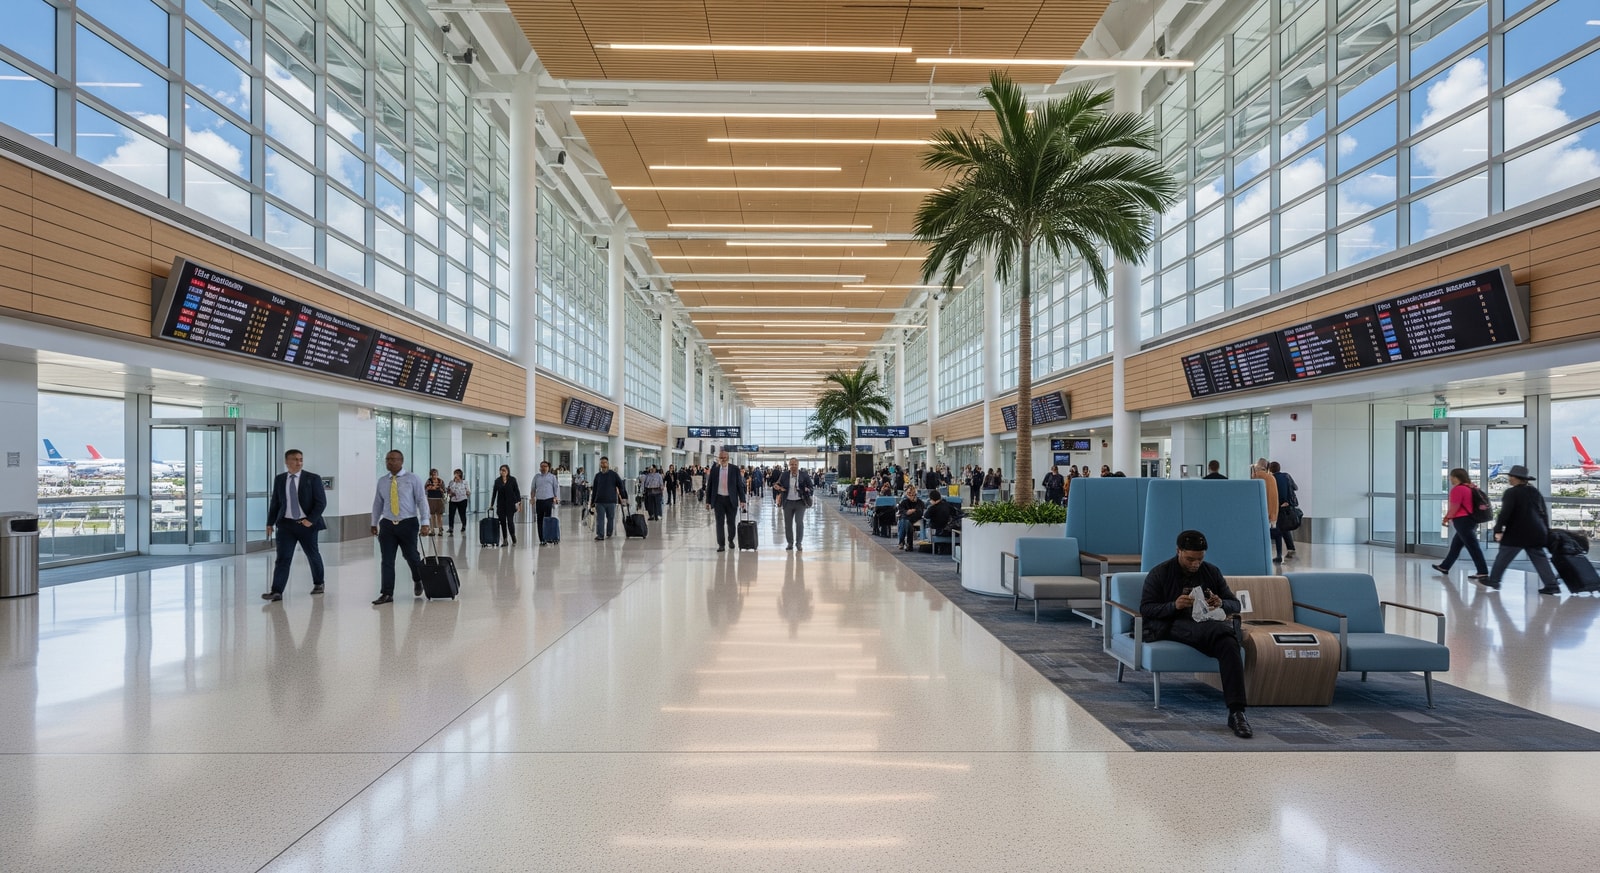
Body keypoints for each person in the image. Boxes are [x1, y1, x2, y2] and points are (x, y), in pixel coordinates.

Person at [1140, 530, 1251, 739]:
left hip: (1208, 626)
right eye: (1190, 559)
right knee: (1223, 633)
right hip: (1170, 624)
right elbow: (1146, 608)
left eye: (1199, 559)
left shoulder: (1211, 572)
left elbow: (1235, 603)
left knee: (1229, 642)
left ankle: (1237, 712)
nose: (1195, 564)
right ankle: (1237, 711)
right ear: (1178, 551)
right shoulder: (1160, 573)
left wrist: (1221, 603)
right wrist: (1174, 605)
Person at [262, 448, 326, 602]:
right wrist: (270, 522)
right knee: (283, 558)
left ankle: (319, 583)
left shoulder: (312, 478)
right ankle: (277, 591)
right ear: (287, 462)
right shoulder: (280, 479)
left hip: (306, 525)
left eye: (300, 459)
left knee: (312, 555)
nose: (299, 462)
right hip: (286, 525)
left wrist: (310, 520)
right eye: (295, 459)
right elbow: (275, 503)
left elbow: (321, 502)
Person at [1486, 464, 1561, 594]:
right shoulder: (1534, 491)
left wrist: (1498, 529)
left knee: (1503, 556)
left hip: (1517, 533)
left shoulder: (1511, 492)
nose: (1509, 479)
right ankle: (1551, 584)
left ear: (1516, 478)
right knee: (1539, 558)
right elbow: (1543, 512)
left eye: (1511, 476)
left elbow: (1505, 513)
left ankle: (1494, 580)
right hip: (1537, 532)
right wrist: (1546, 530)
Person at [369, 449, 430, 605]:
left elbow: (421, 501)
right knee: (387, 560)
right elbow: (378, 503)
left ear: (401, 461)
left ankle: (418, 579)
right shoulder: (382, 481)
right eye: (387, 459)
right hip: (388, 524)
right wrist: (374, 522)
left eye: (393, 459)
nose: (389, 462)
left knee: (411, 556)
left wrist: (425, 522)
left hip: (408, 523)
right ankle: (387, 593)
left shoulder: (413, 478)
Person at [1433, 467, 1489, 580]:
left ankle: (1482, 571)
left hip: (1462, 521)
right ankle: (1445, 566)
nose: (1450, 479)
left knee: (1473, 546)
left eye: (1451, 477)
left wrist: (1447, 517)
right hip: (1471, 520)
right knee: (1456, 546)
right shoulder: (1471, 487)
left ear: (1456, 477)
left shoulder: (1458, 490)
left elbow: (1455, 507)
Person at [705, 449, 746, 552]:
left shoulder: (735, 469)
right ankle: (721, 544)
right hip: (718, 499)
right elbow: (709, 486)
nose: (722, 460)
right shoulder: (714, 470)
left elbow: (739, 486)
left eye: (724, 458)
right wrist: (708, 501)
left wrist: (742, 500)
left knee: (731, 522)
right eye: (721, 458)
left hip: (731, 500)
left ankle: (731, 539)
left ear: (728, 458)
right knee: (719, 523)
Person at [773, 456, 814, 551]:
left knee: (799, 522)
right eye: (792, 465)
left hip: (800, 502)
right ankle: (790, 543)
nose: (793, 466)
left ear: (798, 465)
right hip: (787, 502)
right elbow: (777, 484)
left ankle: (799, 543)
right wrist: (778, 487)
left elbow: (811, 487)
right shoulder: (784, 475)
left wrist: (807, 490)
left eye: (795, 465)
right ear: (789, 465)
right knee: (788, 524)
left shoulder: (804, 475)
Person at [590, 456, 627, 539]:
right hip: (599, 501)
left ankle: (609, 532)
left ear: (608, 463)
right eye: (602, 463)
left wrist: (623, 496)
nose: (603, 464)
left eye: (605, 462)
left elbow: (620, 485)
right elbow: (595, 489)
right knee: (600, 519)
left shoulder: (613, 475)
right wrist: (592, 502)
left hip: (611, 501)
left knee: (610, 518)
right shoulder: (597, 476)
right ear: (600, 464)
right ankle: (600, 535)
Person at [1251, 459, 1280, 562]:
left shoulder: (1255, 478)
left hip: (1256, 514)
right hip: (1270, 514)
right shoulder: (1272, 478)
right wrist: (1273, 516)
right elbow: (1274, 498)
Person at [1270, 461, 1299, 561]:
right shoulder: (1287, 476)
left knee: (1279, 528)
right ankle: (1291, 549)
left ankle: (1279, 554)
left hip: (1278, 506)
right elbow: (1295, 487)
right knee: (1285, 528)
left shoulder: (1272, 478)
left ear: (1270, 469)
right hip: (1288, 506)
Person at [490, 464, 522, 547]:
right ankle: (505, 540)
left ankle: (513, 536)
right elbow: (494, 493)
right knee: (503, 522)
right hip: (501, 505)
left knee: (510, 522)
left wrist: (519, 502)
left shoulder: (512, 480)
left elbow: (517, 491)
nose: (502, 472)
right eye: (501, 470)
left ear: (507, 471)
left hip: (510, 504)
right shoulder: (497, 481)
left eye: (504, 470)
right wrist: (492, 504)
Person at [531, 460, 560, 546]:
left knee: (547, 519)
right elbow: (533, 488)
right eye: (542, 466)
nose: (543, 468)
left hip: (548, 500)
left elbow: (556, 488)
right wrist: (532, 498)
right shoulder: (536, 477)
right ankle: (542, 539)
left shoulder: (552, 477)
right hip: (539, 500)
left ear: (548, 468)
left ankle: (548, 537)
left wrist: (556, 497)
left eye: (545, 466)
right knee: (539, 520)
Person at [445, 468, 470, 535]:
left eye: (457, 474)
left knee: (462, 514)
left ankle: (464, 525)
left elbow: (468, 491)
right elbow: (448, 490)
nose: (456, 476)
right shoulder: (452, 482)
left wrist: (467, 492)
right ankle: (451, 528)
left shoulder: (465, 482)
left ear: (460, 475)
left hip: (462, 500)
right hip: (453, 500)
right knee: (451, 514)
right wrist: (449, 492)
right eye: (455, 474)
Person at [424, 469, 446, 537]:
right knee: (432, 515)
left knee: (439, 515)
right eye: (433, 474)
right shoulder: (428, 481)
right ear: (431, 475)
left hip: (439, 499)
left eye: (436, 474)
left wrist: (435, 488)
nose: (434, 476)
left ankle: (440, 530)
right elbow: (427, 488)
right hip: (431, 499)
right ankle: (432, 530)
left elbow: (444, 490)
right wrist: (435, 487)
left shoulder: (441, 481)